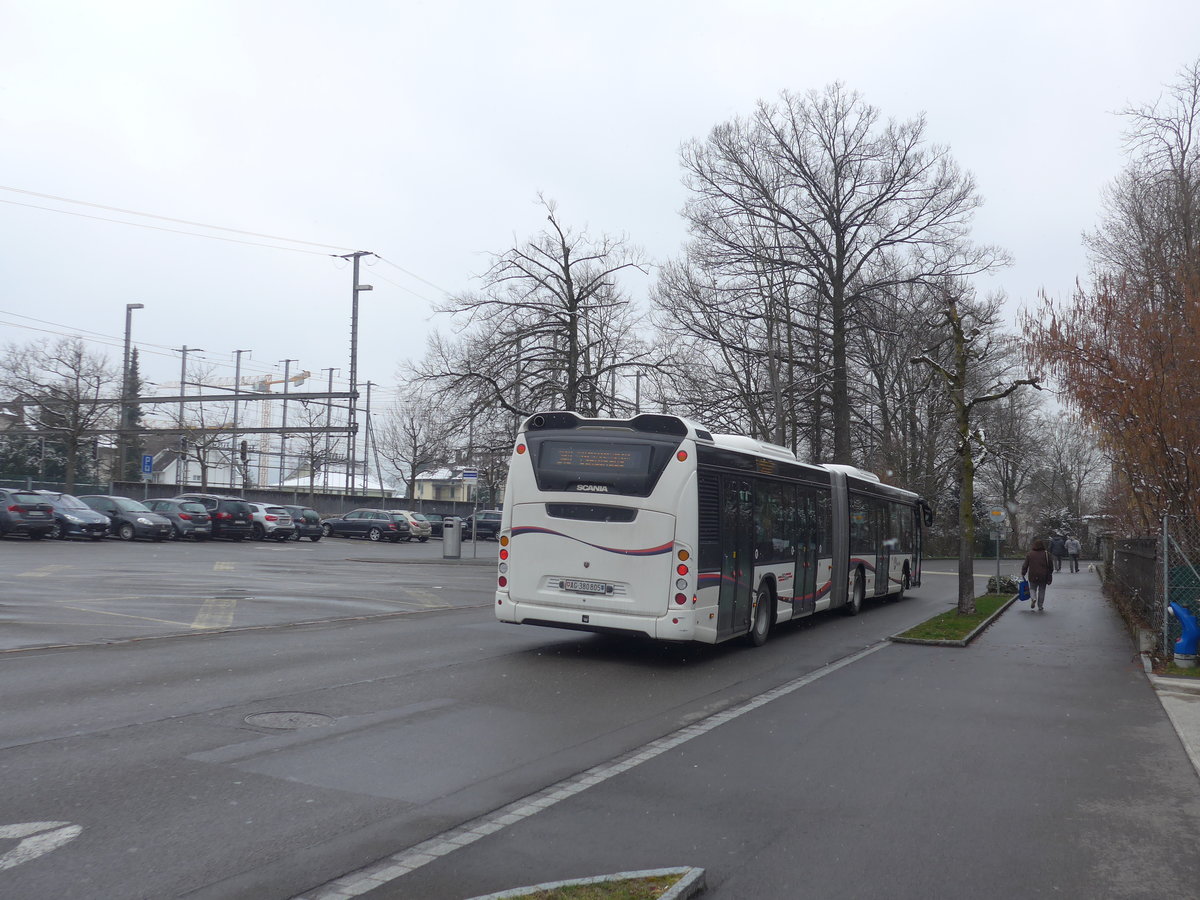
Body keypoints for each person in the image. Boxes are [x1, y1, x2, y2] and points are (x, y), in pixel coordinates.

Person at [1022, 538, 1054, 611]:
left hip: (1032, 574)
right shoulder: (1046, 554)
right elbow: (1050, 565)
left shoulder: (1030, 554)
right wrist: (1050, 572)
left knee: (1032, 588)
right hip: (1043, 575)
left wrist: (1023, 572)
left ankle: (1033, 598)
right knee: (1042, 590)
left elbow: (1025, 565)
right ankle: (1040, 606)